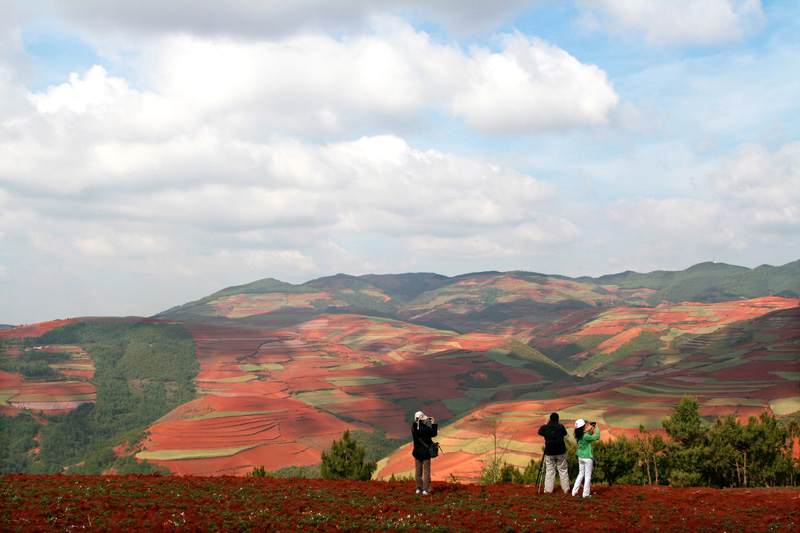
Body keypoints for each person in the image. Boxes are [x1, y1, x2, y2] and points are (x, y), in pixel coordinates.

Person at [537, 412, 569, 493]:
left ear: (550, 419)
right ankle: (566, 489)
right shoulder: (560, 427)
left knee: (550, 470)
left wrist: (546, 424)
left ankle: (548, 490)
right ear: (558, 419)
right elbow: (565, 433)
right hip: (560, 451)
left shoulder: (546, 427)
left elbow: (540, 432)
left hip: (549, 452)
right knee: (563, 470)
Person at [411, 410, 438, 495]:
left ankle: (418, 488)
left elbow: (418, 427)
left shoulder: (413, 428)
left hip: (417, 453)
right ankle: (426, 490)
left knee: (418, 471)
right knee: (426, 471)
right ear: (423, 419)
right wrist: (433, 424)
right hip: (426, 453)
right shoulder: (426, 429)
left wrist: (423, 422)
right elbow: (434, 434)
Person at [571, 419, 600, 498]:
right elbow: (597, 437)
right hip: (587, 457)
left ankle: (574, 491)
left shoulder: (577, 436)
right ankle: (586, 494)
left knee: (580, 474)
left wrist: (590, 430)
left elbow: (586, 437)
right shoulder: (585, 436)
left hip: (580, 457)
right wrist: (597, 428)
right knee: (587, 476)